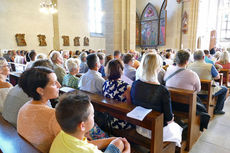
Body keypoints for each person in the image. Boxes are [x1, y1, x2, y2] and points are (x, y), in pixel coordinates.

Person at [50, 93, 131, 153]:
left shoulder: (62, 135)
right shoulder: (91, 151)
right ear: (82, 126)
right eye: (92, 115)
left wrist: (112, 139)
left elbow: (87, 144)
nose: (94, 117)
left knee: (117, 141)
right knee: (119, 144)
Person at [130, 53, 182, 146]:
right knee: (177, 129)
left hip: (139, 126)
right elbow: (169, 119)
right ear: (158, 68)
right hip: (156, 130)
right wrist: (172, 118)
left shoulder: (135, 84)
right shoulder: (162, 90)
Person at [17, 67, 62, 152]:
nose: (59, 85)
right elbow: (70, 144)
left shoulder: (24, 107)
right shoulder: (53, 115)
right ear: (40, 90)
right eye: (53, 83)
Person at [164, 50, 210, 131]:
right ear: (186, 61)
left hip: (170, 104)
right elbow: (198, 89)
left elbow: (164, 80)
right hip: (186, 106)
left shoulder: (169, 70)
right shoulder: (192, 74)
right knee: (202, 108)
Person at [2, 60, 53, 127]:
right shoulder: (37, 93)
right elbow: (49, 122)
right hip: (17, 131)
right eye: (53, 82)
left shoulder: (18, 86)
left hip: (8, 126)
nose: (58, 85)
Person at [188, 50, 227, 115]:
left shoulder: (189, 66)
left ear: (194, 58)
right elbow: (217, 77)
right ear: (203, 57)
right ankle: (218, 109)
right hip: (207, 92)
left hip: (194, 91)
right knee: (224, 89)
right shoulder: (210, 66)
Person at [103, 59, 133, 130]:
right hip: (122, 122)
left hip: (109, 120)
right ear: (121, 70)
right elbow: (130, 106)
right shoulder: (126, 86)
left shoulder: (105, 83)